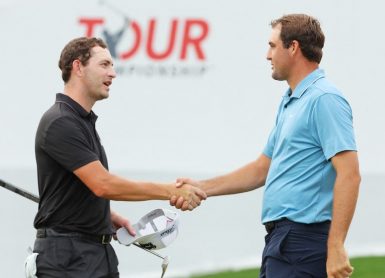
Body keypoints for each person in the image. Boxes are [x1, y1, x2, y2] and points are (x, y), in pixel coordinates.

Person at [171, 14, 361, 278]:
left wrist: (336, 245)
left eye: (272, 46)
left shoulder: (324, 99)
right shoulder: (291, 100)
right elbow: (262, 169)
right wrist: (202, 188)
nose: (267, 55)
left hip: (303, 241)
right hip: (282, 240)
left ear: (293, 47)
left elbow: (350, 174)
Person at [31, 37, 206, 278]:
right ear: (78, 67)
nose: (113, 73)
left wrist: (104, 215)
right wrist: (170, 191)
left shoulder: (80, 121)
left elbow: (78, 188)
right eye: (104, 65)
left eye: (112, 66)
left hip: (93, 252)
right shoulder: (61, 122)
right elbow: (103, 184)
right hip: (68, 259)